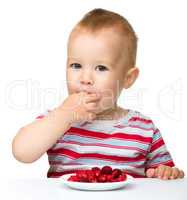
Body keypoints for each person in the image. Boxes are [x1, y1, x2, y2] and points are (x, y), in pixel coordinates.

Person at [12, 8, 185, 180]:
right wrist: (64, 115)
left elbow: (164, 177)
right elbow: (22, 152)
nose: (85, 79)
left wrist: (165, 173)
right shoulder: (57, 120)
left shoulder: (144, 129)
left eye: (101, 68)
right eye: (76, 65)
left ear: (128, 78)